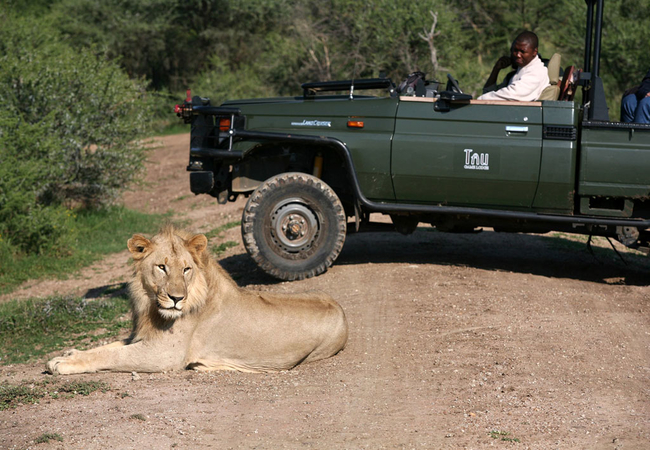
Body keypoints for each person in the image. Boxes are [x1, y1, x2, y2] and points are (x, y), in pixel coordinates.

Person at [478, 31, 549, 102]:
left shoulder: (536, 72)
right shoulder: (518, 72)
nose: (518, 55)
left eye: (523, 52)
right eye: (515, 50)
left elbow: (513, 94)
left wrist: (481, 99)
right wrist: (496, 69)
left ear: (534, 52)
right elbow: (489, 92)